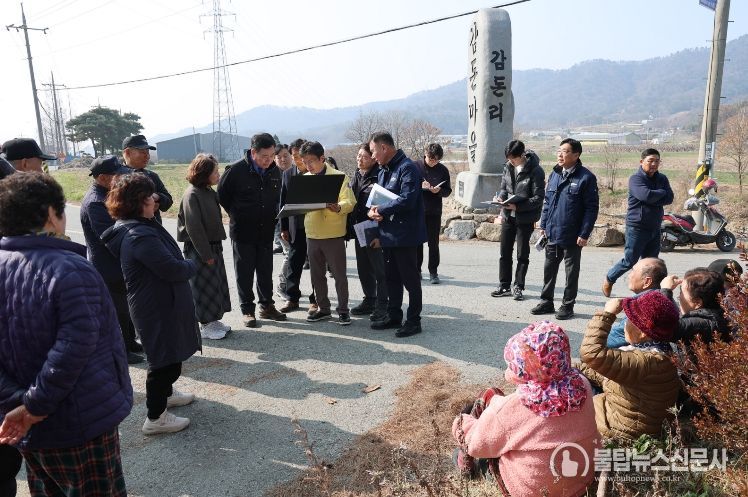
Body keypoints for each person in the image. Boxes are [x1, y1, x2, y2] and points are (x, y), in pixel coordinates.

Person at [0, 172, 133, 496]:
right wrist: (35, 405)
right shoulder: (70, 269)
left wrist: (17, 402)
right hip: (78, 420)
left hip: (23, 422)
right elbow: (74, 348)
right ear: (51, 214)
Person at [452, 321, 599, 497]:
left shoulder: (514, 407)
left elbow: (476, 444)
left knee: (488, 396)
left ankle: (466, 466)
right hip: (581, 482)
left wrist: (462, 421)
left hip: (532, 490)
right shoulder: (582, 385)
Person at [102, 174, 200, 435]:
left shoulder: (138, 224)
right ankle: (155, 417)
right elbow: (172, 269)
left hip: (160, 301)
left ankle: (166, 395)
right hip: (155, 307)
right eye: (149, 196)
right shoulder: (138, 236)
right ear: (137, 202)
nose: (155, 200)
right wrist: (193, 263)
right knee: (163, 362)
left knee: (170, 353)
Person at [579, 291, 680, 440]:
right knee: (575, 376)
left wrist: (607, 314)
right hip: (629, 416)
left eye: (629, 320)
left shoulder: (646, 362)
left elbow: (591, 352)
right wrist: (574, 367)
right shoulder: (657, 352)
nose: (624, 324)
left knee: (570, 401)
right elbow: (609, 373)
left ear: (643, 332)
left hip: (622, 429)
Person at [80, 155, 144, 364]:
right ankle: (122, 349)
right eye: (117, 175)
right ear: (103, 178)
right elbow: (110, 236)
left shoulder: (106, 194)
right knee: (117, 311)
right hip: (107, 265)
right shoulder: (96, 202)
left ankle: (130, 342)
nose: (121, 178)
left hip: (117, 263)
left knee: (125, 306)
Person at [218, 132, 287, 327]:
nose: (268, 160)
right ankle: (247, 310)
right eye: (264, 156)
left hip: (266, 230)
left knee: (265, 270)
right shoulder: (236, 171)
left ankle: (267, 306)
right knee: (245, 272)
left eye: (271, 156)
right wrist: (237, 214)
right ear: (253, 152)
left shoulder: (275, 172)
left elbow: (277, 199)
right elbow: (222, 195)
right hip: (243, 231)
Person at [367, 131, 427, 338]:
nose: (372, 156)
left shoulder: (407, 168)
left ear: (384, 147)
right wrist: (373, 211)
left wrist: (381, 210)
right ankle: (394, 315)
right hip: (388, 234)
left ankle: (414, 321)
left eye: (373, 151)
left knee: (410, 279)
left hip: (406, 235)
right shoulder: (383, 170)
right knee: (391, 277)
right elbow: (379, 199)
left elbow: (407, 199)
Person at [532, 138, 599, 320]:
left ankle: (567, 305)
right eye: (559, 150)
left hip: (572, 235)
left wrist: (584, 233)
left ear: (576, 155)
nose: (560, 154)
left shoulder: (586, 178)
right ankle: (546, 301)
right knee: (549, 269)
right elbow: (548, 202)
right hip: (552, 232)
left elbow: (591, 209)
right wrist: (544, 224)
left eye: (565, 151)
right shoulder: (555, 174)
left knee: (571, 273)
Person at [603, 149, 673, 297]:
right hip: (637, 227)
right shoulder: (636, 179)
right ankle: (610, 279)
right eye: (650, 161)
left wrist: (654, 196)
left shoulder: (662, 178)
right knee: (630, 260)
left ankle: (647, 295)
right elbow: (645, 196)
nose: (654, 164)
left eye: (657, 161)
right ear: (642, 162)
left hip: (655, 226)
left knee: (651, 265)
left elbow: (669, 198)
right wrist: (661, 193)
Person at [299, 141, 355, 325]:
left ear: (322, 158)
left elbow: (350, 202)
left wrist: (338, 207)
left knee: (339, 276)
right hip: (312, 234)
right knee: (316, 276)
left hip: (333, 234)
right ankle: (323, 309)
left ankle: (343, 310)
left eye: (311, 161)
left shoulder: (339, 176)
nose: (308, 166)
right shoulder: (304, 178)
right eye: (305, 162)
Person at [177, 153, 232, 340]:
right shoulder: (192, 195)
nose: (218, 175)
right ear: (203, 173)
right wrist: (206, 254)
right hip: (199, 249)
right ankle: (206, 325)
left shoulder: (208, 191)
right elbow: (194, 228)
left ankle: (214, 320)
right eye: (215, 172)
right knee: (202, 287)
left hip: (212, 246)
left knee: (215, 285)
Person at [491, 140, 545, 301]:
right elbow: (504, 188)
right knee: (504, 252)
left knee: (522, 254)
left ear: (522, 155)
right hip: (508, 215)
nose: (511, 161)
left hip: (525, 218)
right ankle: (504, 285)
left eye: (513, 158)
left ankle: (518, 286)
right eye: (508, 158)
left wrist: (518, 207)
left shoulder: (536, 170)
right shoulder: (508, 167)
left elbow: (538, 198)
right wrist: (500, 198)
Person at [348, 143, 388, 321]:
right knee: (363, 267)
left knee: (380, 269)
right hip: (359, 227)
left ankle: (383, 304)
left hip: (374, 227)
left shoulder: (379, 175)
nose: (360, 159)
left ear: (373, 158)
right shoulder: (357, 175)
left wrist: (380, 233)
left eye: (364, 157)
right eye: (358, 156)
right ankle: (369, 299)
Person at [278, 138, 317, 314]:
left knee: (316, 264)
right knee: (294, 264)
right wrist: (283, 227)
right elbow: (283, 202)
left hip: (315, 226)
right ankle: (292, 298)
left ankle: (315, 299)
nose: (296, 159)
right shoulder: (288, 174)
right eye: (294, 156)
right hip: (296, 227)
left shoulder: (316, 172)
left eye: (299, 156)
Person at [606, 257, 669, 348]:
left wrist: (607, 315)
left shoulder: (640, 306)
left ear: (647, 281)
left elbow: (613, 340)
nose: (629, 275)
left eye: (633, 271)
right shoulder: (663, 300)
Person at [660, 268, 731, 346]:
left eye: (681, 292)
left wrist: (665, 290)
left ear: (697, 302)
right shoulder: (716, 315)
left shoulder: (702, 324)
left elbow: (665, 328)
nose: (679, 297)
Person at [415, 142, 452, 284]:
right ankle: (417, 271)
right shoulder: (415, 166)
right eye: (431, 159)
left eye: (437, 160)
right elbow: (406, 185)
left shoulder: (443, 170)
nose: (433, 162)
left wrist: (439, 191)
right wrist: (419, 185)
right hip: (417, 210)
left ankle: (433, 272)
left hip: (434, 211)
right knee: (417, 242)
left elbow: (448, 191)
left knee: (433, 244)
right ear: (425, 154)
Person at [122, 134, 173, 224]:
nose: (147, 156)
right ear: (127, 153)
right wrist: (145, 207)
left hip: (155, 228)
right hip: (131, 230)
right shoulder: (117, 178)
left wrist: (157, 196)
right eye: (142, 152)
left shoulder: (152, 176)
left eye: (147, 152)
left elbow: (168, 202)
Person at [273, 144, 293, 255]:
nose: (283, 159)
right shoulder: (271, 176)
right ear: (274, 159)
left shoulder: (299, 172)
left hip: (297, 219)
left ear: (291, 155)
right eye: (279, 157)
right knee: (288, 252)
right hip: (279, 219)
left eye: (285, 156)